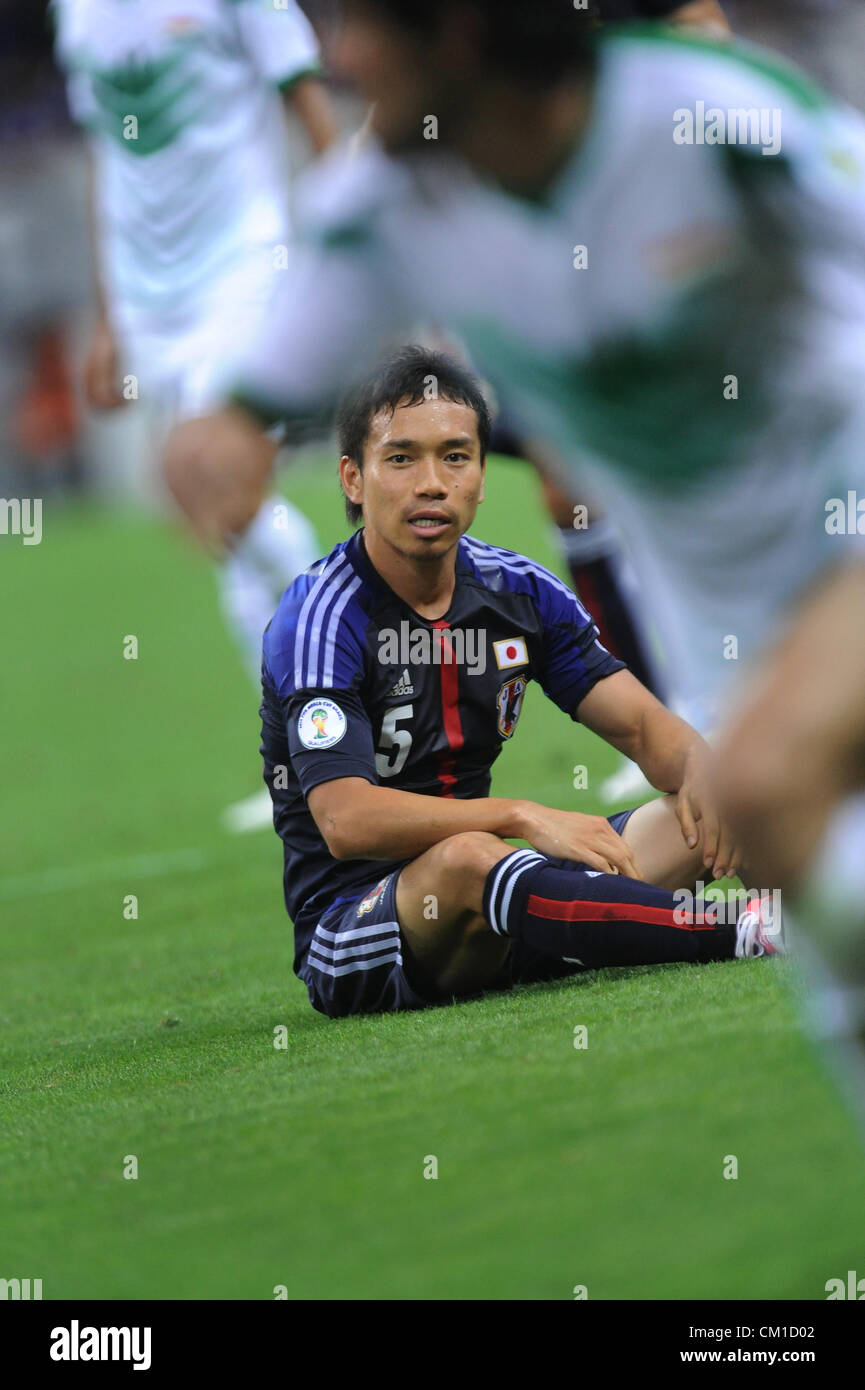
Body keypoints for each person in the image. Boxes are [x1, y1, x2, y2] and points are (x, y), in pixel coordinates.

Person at [163, 1, 865, 750]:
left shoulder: (711, 114)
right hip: (718, 614)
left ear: (459, 30)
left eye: (366, 26)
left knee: (761, 789)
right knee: (735, 812)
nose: (342, 59)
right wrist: (215, 445)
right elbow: (252, 400)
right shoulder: (384, 205)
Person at [261, 347, 779, 1018]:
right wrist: (521, 815)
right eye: (400, 458)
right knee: (466, 858)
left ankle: (812, 909)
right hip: (360, 932)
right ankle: (743, 930)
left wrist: (711, 779)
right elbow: (345, 819)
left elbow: (650, 733)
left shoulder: (518, 591)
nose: (430, 483)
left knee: (725, 787)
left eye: (454, 456)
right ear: (352, 480)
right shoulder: (319, 617)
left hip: (510, 902)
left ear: (480, 475)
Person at [52, 0, 340, 827]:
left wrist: (360, 239)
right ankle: (303, 757)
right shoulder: (75, 12)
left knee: (229, 492)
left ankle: (354, 712)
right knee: (218, 527)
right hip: (149, 296)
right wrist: (109, 314)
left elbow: (307, 100)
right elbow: (109, 156)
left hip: (243, 260)